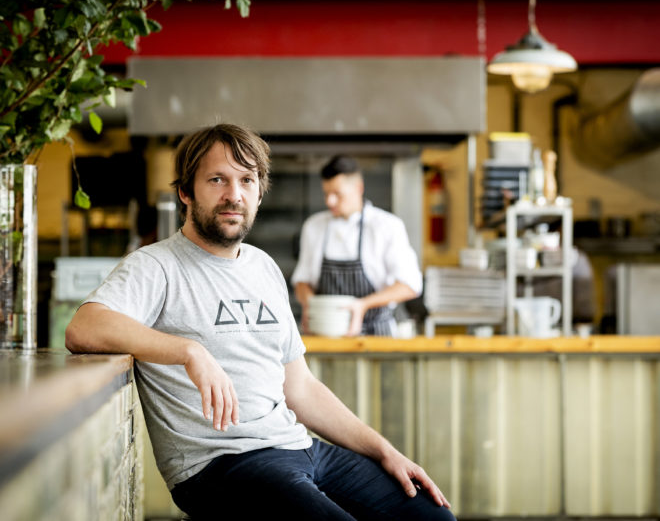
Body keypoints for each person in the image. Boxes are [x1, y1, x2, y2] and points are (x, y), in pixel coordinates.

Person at [65, 124, 454, 521]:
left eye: (246, 180)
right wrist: (189, 351)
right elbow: (83, 328)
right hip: (222, 464)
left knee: (432, 517)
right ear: (185, 191)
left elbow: (300, 388)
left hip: (299, 447)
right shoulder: (157, 265)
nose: (234, 194)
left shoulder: (263, 266)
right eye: (217, 179)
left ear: (259, 191)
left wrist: (384, 451)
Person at [292, 155, 422, 336]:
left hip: (377, 335)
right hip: (326, 335)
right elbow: (302, 282)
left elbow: (410, 285)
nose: (330, 201)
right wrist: (311, 306)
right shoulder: (313, 226)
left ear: (358, 188)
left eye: (337, 194)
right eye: (326, 193)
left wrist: (363, 306)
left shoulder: (387, 226)